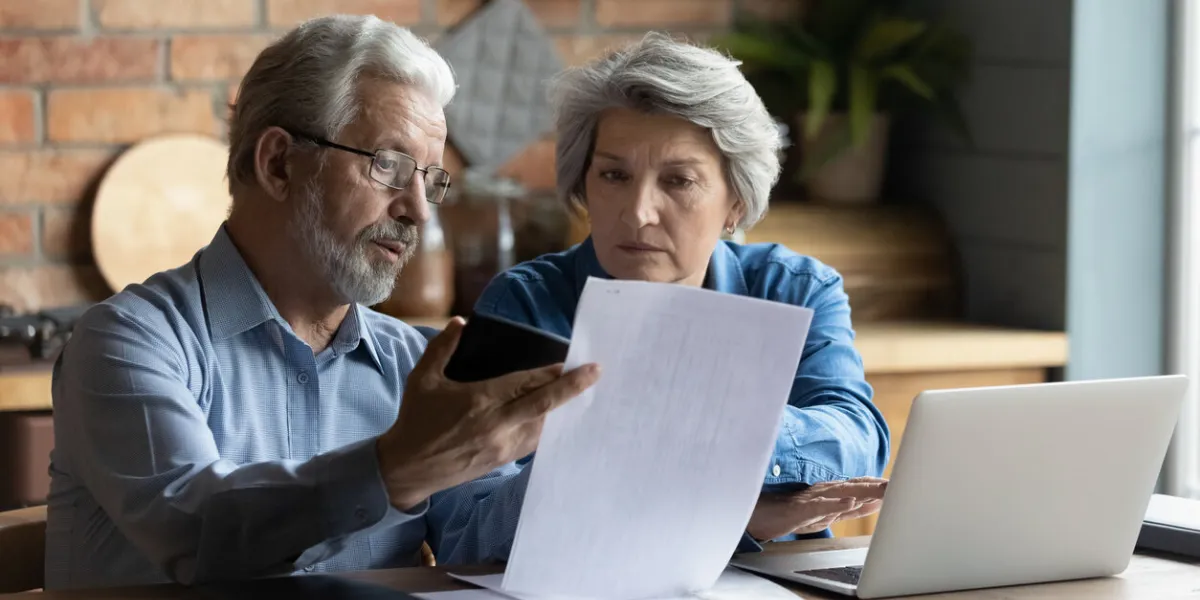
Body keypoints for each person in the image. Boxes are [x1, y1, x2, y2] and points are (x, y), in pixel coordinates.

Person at [43, 15, 598, 590]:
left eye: (430, 179)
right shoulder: (127, 342)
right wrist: (391, 471)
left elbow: (480, 540)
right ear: (279, 163)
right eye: (389, 166)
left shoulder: (417, 361)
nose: (419, 210)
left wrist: (589, 457)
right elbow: (198, 537)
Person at [468, 32, 891, 548]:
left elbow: (857, 440)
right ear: (583, 186)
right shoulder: (524, 304)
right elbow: (470, 528)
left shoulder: (794, 289)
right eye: (613, 175)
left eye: (678, 181)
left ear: (735, 202)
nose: (638, 212)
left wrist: (700, 427)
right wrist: (731, 510)